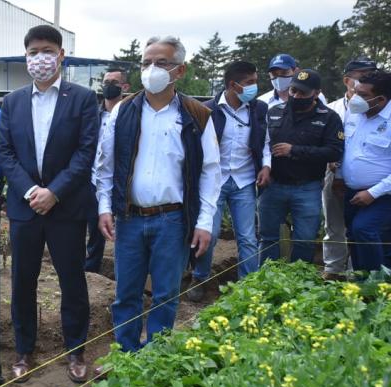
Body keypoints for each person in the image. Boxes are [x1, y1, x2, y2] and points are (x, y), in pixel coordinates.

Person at [95, 35, 221, 354]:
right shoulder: (122, 112)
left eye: (161, 62)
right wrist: (104, 207)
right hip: (130, 217)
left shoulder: (197, 115)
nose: (152, 69)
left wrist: (204, 221)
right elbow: (105, 166)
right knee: (127, 292)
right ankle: (125, 353)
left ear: (180, 70)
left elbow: (210, 171)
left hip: (173, 220)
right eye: (146, 62)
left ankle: (156, 355)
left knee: (165, 293)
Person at [0, 25, 98, 383]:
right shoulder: (12, 102)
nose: (41, 57)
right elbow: (6, 154)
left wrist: (54, 191)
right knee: (23, 281)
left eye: (47, 50)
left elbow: (86, 153)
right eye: (34, 51)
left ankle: (76, 350)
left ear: (61, 55)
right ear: (26, 57)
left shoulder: (83, 99)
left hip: (66, 207)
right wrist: (30, 192)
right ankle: (24, 349)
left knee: (72, 280)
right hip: (26, 209)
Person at [188, 61, 270, 302]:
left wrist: (266, 165)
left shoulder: (258, 109)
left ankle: (249, 285)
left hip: (244, 180)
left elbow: (265, 141)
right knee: (209, 233)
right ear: (233, 85)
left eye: (255, 81)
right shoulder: (207, 110)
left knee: (247, 236)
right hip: (215, 182)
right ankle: (199, 276)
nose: (255, 87)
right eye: (250, 83)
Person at [258, 69, 344, 264]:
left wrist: (294, 150)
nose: (296, 96)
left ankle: (299, 282)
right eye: (293, 91)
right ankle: (265, 279)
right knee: (268, 238)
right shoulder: (274, 113)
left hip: (307, 187)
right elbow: (262, 145)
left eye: (302, 93)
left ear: (316, 92)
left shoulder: (329, 117)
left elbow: (334, 151)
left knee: (304, 239)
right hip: (274, 185)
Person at [322, 57, 378, 280]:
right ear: (347, 80)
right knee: (333, 224)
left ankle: (357, 273)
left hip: (366, 180)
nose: (367, 80)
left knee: (361, 227)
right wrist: (336, 173)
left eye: (371, 75)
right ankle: (334, 269)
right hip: (333, 174)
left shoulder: (378, 106)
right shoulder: (332, 109)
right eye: (361, 76)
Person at [341, 69, 391, 272]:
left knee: (365, 229)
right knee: (353, 235)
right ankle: (362, 287)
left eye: (363, 95)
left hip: (382, 194)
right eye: (356, 91)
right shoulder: (354, 115)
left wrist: (372, 193)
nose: (356, 98)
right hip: (352, 193)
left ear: (380, 99)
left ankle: (377, 285)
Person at [86, 69, 130, 273]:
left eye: (114, 82)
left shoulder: (129, 115)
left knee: (123, 227)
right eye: (106, 81)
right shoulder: (92, 115)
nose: (109, 85)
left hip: (120, 181)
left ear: (125, 87)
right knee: (93, 227)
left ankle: (125, 269)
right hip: (93, 179)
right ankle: (91, 268)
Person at [257, 54, 325, 109]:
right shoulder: (261, 102)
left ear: (296, 71)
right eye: (274, 74)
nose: (279, 78)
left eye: (284, 72)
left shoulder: (315, 96)